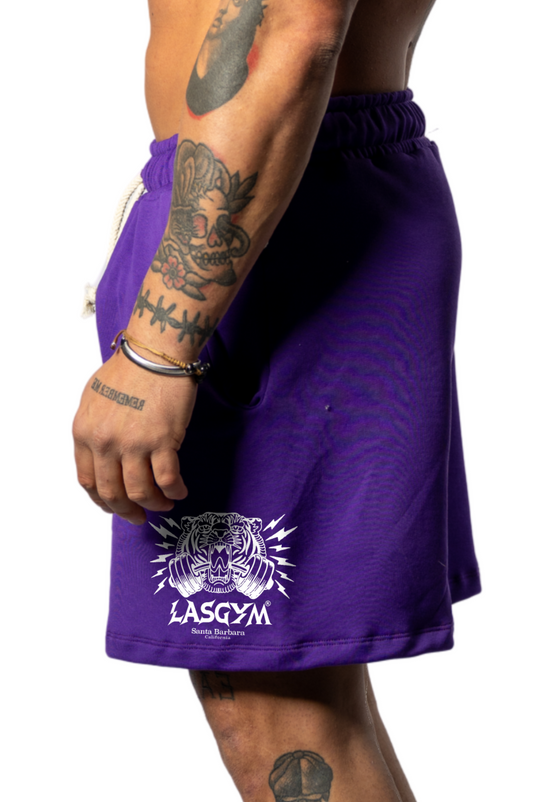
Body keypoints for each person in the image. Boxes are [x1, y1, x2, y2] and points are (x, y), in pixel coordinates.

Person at [73, 0, 482, 799]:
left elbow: (294, 31)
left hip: (266, 208)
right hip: (265, 190)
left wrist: (158, 349)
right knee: (295, 706)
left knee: (277, 719)